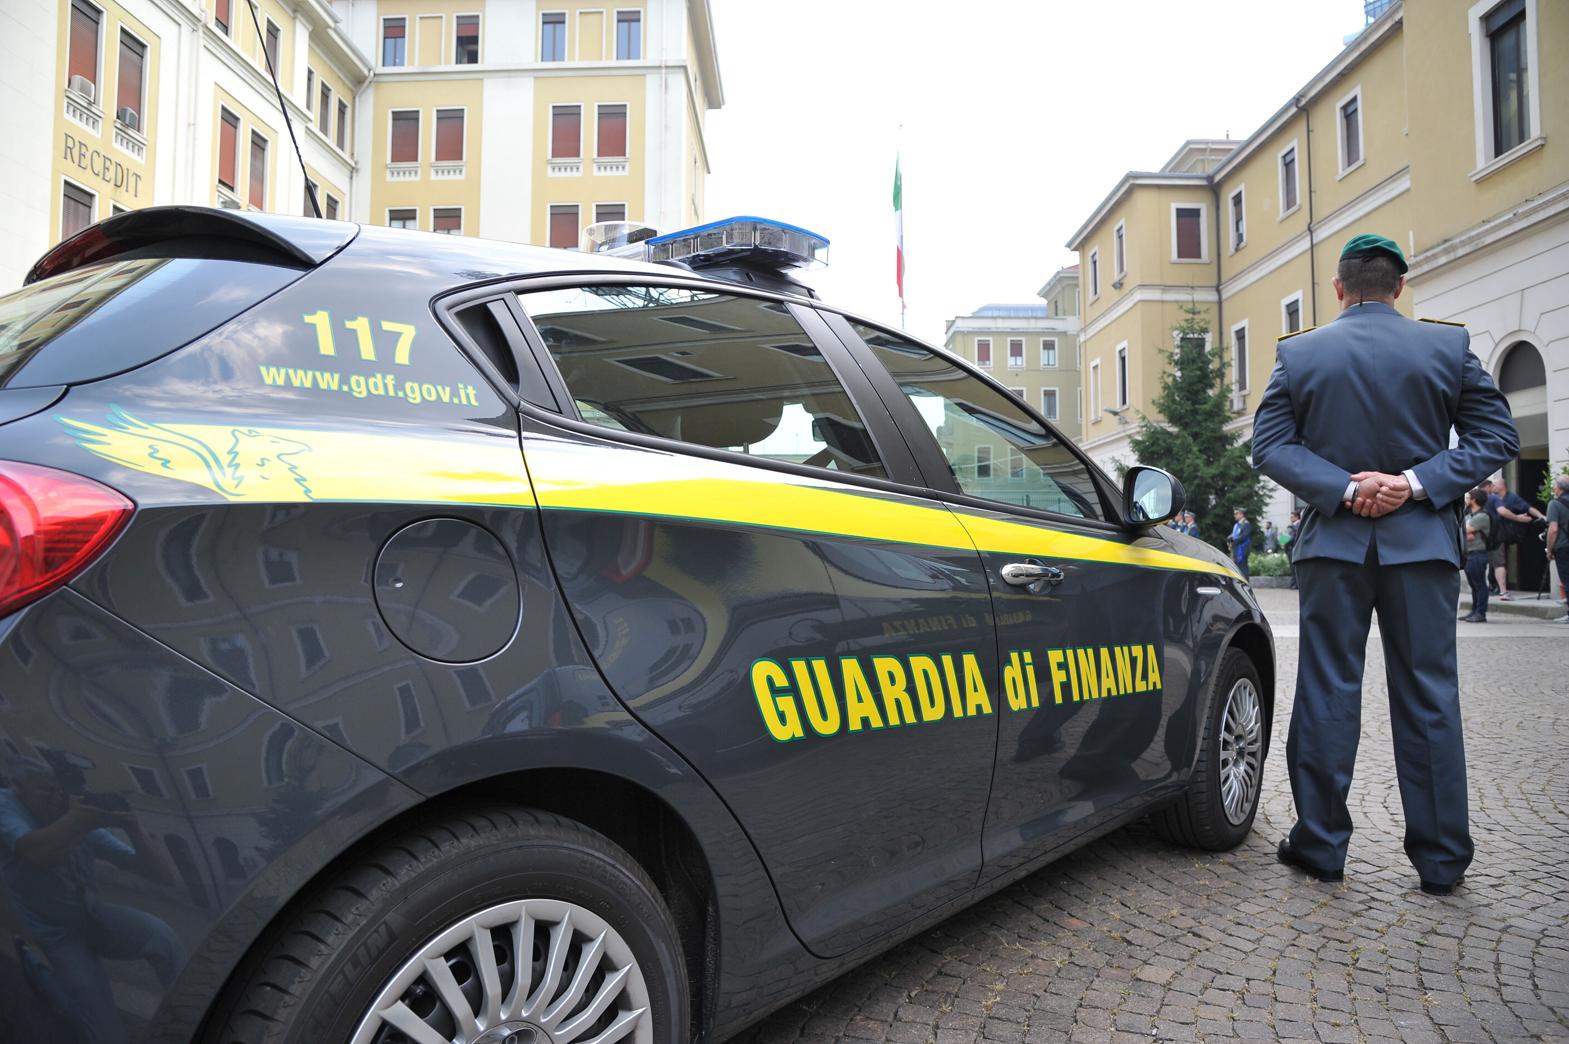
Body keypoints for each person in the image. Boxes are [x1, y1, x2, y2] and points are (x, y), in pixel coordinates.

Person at [1251, 232, 1518, 896]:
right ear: (1399, 287)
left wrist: (1345, 489)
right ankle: (1440, 861)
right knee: (1429, 697)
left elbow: (1270, 446)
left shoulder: (1299, 351)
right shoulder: (1445, 345)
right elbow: (1496, 436)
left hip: (1332, 546)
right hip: (1421, 545)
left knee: (1325, 692)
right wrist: (1417, 482)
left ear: (1338, 289)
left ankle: (1319, 845)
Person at [1489, 476, 1543, 600]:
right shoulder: (1493, 498)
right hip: (1492, 535)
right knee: (1496, 560)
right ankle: (1494, 585)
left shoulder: (1511, 498)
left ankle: (1497, 586)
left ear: (1502, 486)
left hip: (1502, 535)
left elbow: (1527, 507)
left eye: (1495, 484)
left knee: (1498, 560)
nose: (1493, 486)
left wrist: (1541, 516)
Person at [1461, 489, 1491, 623]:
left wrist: (1467, 532)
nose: (1466, 500)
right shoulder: (1470, 516)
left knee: (1479, 584)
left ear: (1474, 500)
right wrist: (1467, 533)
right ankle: (1474, 611)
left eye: (1468, 498)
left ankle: (1480, 612)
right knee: (1474, 585)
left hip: (1479, 553)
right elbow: (1462, 530)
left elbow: (1465, 530)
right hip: (1470, 554)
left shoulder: (1482, 516)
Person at [1547, 474, 1569, 624]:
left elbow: (1553, 529)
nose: (1553, 487)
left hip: (1563, 546)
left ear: (1559, 488)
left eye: (1554, 485)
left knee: (1567, 579)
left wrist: (1549, 549)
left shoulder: (1554, 504)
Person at [1227, 508, 1252, 578]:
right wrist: (1229, 538)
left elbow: (1244, 536)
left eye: (1236, 514)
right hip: (1236, 550)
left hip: (1242, 550)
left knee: (1243, 568)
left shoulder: (1246, 524)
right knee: (1237, 568)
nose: (1234, 516)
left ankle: (1245, 584)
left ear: (1241, 514)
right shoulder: (1237, 525)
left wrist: (1233, 540)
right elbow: (1234, 534)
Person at [1284, 510, 1301, 589]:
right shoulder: (1291, 526)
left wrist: (1284, 542)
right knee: (1292, 568)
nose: (1290, 518)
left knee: (1294, 568)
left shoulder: (1297, 525)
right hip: (1290, 549)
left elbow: (1292, 537)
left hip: (1294, 548)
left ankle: (1295, 584)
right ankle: (1294, 584)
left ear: (1297, 517)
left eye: (1292, 517)